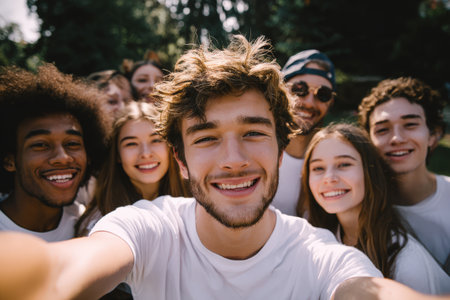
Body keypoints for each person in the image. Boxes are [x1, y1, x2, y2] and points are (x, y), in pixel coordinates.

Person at [0, 35, 433, 300]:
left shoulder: (319, 253)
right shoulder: (148, 228)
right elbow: (65, 272)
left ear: (282, 148)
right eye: (206, 138)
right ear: (182, 161)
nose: (233, 159)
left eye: (253, 132)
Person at [300, 123, 450, 294]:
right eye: (318, 168)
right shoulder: (317, 237)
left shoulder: (407, 263)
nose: (329, 178)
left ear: (369, 172)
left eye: (344, 164)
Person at [0, 63, 109, 242]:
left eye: (72, 143)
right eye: (41, 145)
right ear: (10, 160)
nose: (62, 157)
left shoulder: (90, 226)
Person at [358, 77, 450, 275]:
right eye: (382, 129)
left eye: (410, 125)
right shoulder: (359, 208)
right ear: (368, 141)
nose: (397, 138)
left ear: (433, 135)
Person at [75, 101, 190, 237]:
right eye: (131, 144)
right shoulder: (99, 223)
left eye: (156, 140)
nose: (146, 153)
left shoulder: (197, 201)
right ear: (117, 154)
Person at [272, 49, 336, 216]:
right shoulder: (253, 151)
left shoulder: (335, 161)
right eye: (299, 89)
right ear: (281, 90)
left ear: (331, 102)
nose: (309, 102)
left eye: (323, 94)